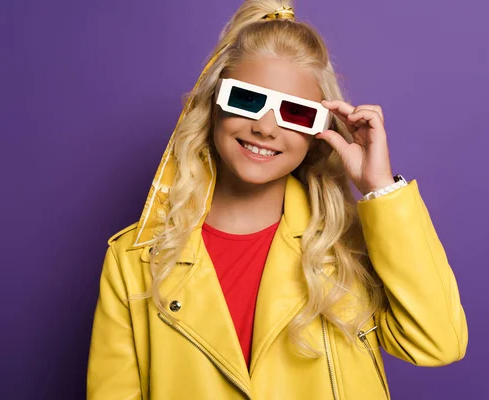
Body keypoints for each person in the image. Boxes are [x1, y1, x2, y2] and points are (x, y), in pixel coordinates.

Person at [86, 1, 468, 399]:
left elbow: (437, 342)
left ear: (321, 129)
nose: (266, 127)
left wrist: (380, 188)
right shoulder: (135, 258)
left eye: (296, 113)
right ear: (212, 105)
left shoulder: (348, 246)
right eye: (247, 99)